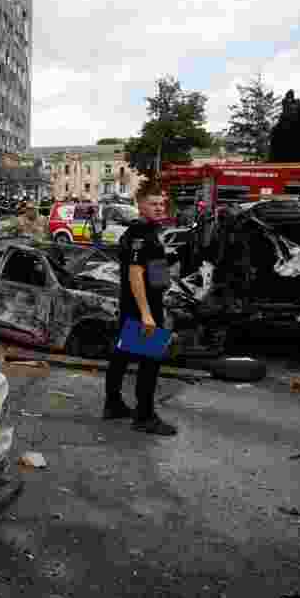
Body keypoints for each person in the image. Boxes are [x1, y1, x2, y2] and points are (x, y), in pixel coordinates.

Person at [103, 179, 176, 436]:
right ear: (140, 205)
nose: (159, 207)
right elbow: (135, 275)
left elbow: (151, 270)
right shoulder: (140, 234)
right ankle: (145, 417)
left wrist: (165, 279)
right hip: (141, 308)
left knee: (121, 356)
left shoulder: (145, 231)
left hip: (138, 305)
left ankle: (112, 404)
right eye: (153, 203)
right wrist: (147, 314)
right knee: (150, 361)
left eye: (162, 203)